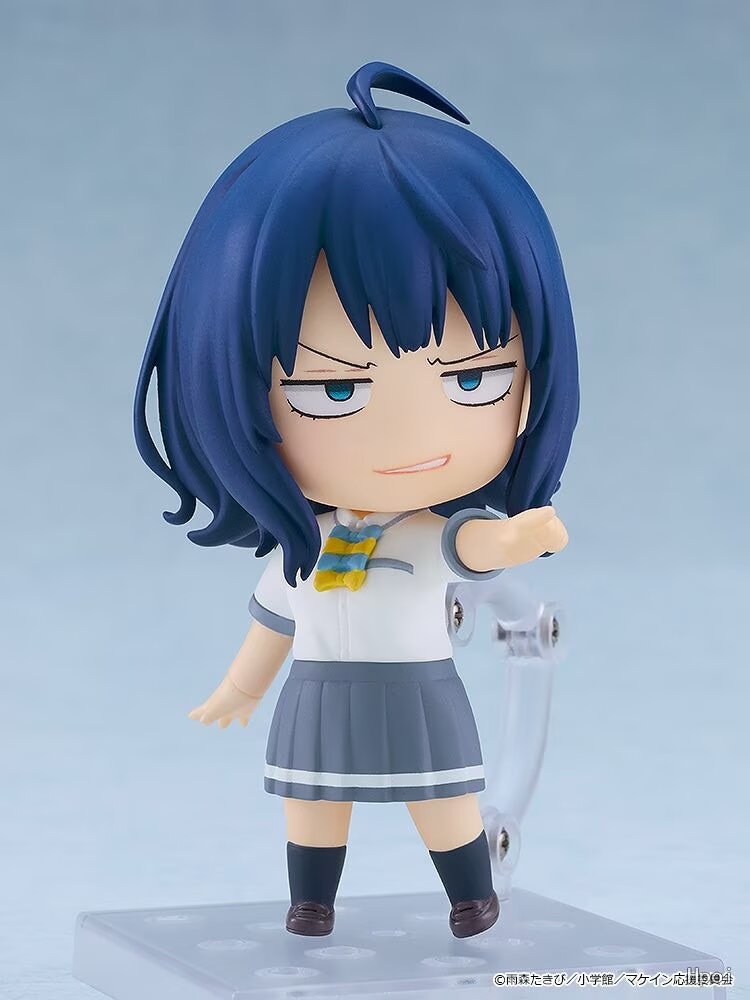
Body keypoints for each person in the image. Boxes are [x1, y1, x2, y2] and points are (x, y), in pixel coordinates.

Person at [134, 61, 580, 939]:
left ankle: (470, 894)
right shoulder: (301, 550)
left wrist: (520, 537)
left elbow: (472, 547)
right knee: (313, 802)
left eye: (474, 378)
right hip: (317, 692)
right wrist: (239, 687)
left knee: (441, 797)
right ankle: (312, 901)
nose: (414, 436)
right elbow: (274, 620)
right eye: (333, 391)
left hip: (418, 689)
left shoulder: (427, 535)